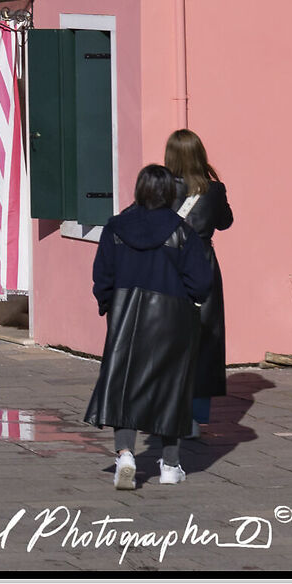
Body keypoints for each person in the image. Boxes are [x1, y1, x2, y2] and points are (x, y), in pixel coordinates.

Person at [88, 164, 215, 490]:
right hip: (173, 319)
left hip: (126, 315)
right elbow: (200, 282)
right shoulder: (182, 232)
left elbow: (102, 276)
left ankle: (126, 455)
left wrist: (108, 306)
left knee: (123, 388)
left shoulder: (115, 228)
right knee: (171, 390)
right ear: (170, 194)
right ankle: (171, 466)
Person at [164, 129, 232, 435]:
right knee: (205, 339)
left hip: (167, 266)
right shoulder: (214, 190)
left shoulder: (161, 189)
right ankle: (195, 417)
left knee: (166, 338)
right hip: (202, 264)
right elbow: (225, 222)